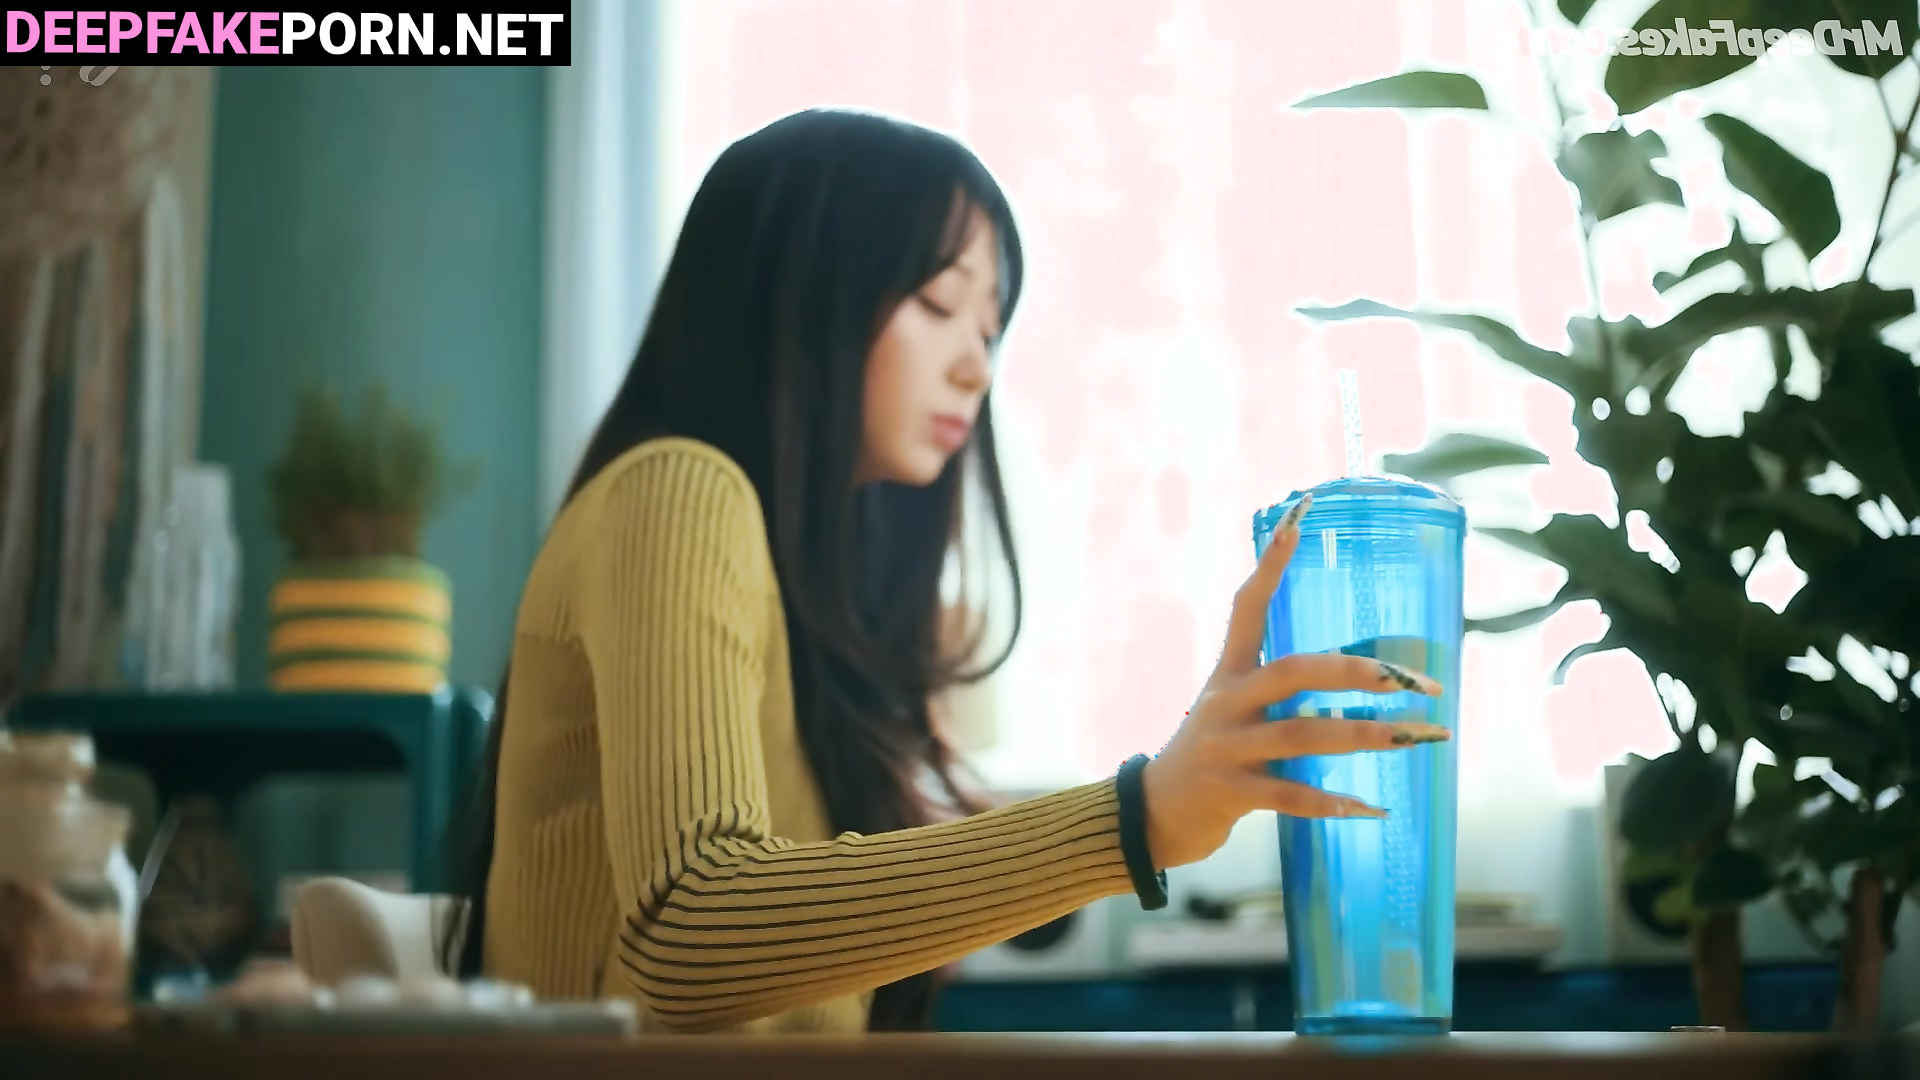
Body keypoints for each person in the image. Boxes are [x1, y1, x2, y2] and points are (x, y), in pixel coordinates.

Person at [441, 108, 1448, 1036]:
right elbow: (689, 927)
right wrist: (1135, 818)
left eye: (990, 329)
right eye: (937, 303)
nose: (976, 365)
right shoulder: (676, 489)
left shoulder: (803, 602)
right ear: (799, 292)